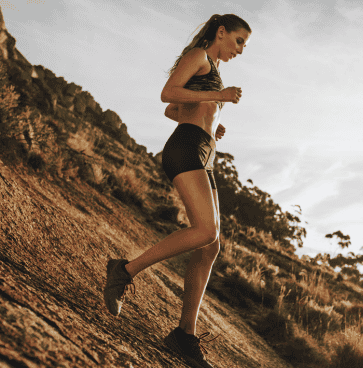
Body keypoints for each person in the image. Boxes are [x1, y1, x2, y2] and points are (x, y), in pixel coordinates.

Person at [103, 14, 251, 368]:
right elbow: (166, 94)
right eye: (239, 41)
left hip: (202, 149)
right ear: (221, 32)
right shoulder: (199, 56)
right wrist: (219, 97)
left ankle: (184, 334)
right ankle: (124, 269)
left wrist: (208, 125)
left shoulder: (211, 66)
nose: (241, 50)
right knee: (205, 230)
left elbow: (175, 109)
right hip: (185, 149)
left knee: (211, 245)